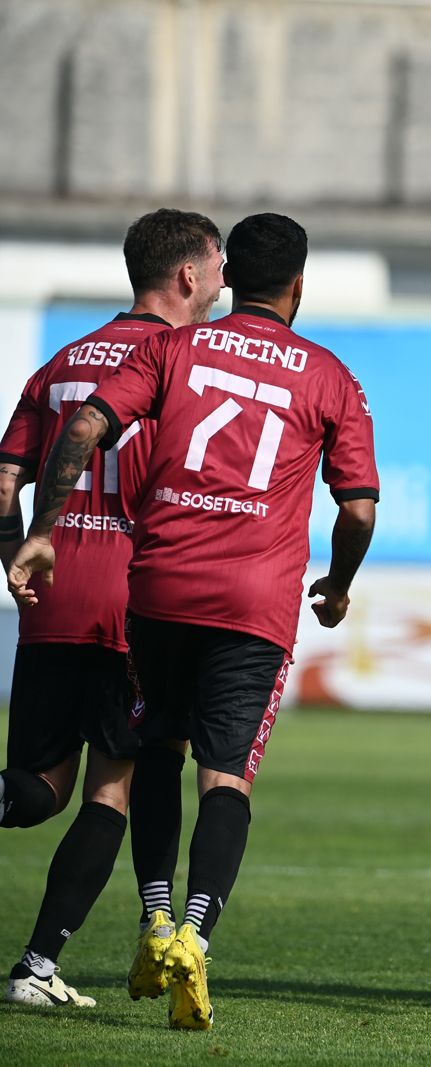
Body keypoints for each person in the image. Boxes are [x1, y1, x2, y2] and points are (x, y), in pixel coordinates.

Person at [8, 212, 380, 1030]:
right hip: (249, 600)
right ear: (298, 284)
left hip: (153, 593)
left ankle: (153, 914)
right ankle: (192, 934)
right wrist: (339, 584)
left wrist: (40, 531)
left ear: (230, 277)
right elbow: (357, 508)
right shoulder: (329, 375)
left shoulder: (167, 352)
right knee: (222, 776)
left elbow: (82, 428)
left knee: (147, 753)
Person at [0, 209, 223, 1010]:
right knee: (109, 790)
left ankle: (40, 966)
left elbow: (3, 479)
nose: (224, 282)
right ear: (188, 275)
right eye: (218, 267)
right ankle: (35, 968)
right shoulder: (187, 363)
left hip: (51, 594)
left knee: (38, 786)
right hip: (134, 597)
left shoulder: (63, 361)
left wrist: (18, 553)